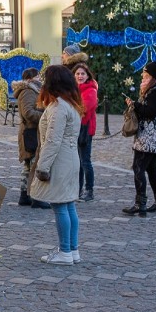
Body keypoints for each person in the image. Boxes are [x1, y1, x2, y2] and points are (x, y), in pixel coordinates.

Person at [29, 65, 84, 266]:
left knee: (61, 206)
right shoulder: (71, 104)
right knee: (68, 205)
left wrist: (42, 167)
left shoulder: (60, 107)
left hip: (60, 161)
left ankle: (65, 251)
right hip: (70, 158)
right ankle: (72, 249)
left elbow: (53, 140)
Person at [123, 60, 156, 217]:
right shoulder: (155, 89)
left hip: (149, 138)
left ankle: (140, 203)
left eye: (146, 75)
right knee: (151, 169)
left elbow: (150, 112)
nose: (143, 78)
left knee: (139, 168)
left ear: (153, 77)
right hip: (151, 136)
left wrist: (135, 105)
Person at [13, 68, 49, 209]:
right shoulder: (28, 91)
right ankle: (36, 196)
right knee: (34, 164)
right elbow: (28, 113)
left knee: (29, 166)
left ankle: (25, 195)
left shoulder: (33, 90)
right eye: (37, 76)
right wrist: (46, 116)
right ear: (29, 79)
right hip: (30, 132)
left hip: (31, 132)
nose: (40, 79)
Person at [74, 62, 98, 202]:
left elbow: (83, 108)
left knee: (85, 161)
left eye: (83, 73)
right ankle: (78, 189)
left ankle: (89, 190)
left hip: (85, 129)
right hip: (75, 128)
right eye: (77, 74)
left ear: (88, 75)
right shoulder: (74, 89)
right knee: (77, 161)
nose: (80, 76)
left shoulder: (90, 90)